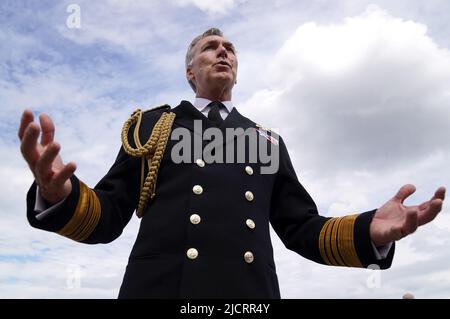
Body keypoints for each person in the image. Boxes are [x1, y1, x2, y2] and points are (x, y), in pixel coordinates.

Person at [18, 28, 445, 298]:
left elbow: (302, 228)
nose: (223, 53)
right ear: (191, 70)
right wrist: (60, 195)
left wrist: (369, 231)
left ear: (236, 72)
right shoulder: (152, 126)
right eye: (210, 48)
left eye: (230, 50)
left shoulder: (267, 141)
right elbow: (108, 216)